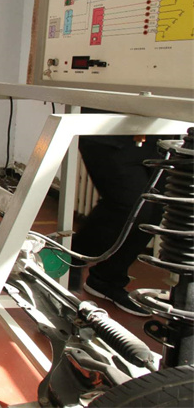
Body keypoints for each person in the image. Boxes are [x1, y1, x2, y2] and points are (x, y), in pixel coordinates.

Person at [70, 129, 161, 316]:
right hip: (111, 135)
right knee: (130, 207)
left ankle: (106, 279)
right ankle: (70, 258)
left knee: (156, 212)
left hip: (159, 139)